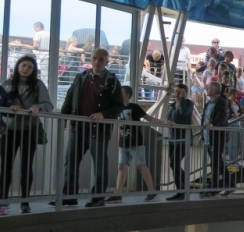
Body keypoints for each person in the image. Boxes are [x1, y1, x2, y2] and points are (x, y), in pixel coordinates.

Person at [53, 49, 124, 208]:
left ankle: (98, 197)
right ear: (91, 60)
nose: (97, 62)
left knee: (99, 165)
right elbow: (69, 98)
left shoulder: (112, 81)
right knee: (71, 162)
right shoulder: (81, 77)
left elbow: (119, 105)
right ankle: (69, 196)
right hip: (78, 129)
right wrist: (64, 117)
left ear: (106, 62)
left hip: (99, 131)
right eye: (94, 58)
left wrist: (103, 114)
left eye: (101, 59)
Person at [1, 56, 53, 214]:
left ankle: (24, 202)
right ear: (18, 66)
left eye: (30, 67)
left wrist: (37, 107)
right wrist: (10, 108)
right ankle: (3, 201)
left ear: (33, 70)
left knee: (26, 166)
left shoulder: (38, 85)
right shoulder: (7, 84)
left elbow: (48, 105)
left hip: (29, 130)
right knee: (5, 167)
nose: (25, 69)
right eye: (23, 65)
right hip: (8, 130)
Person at [106, 86, 166, 204]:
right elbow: (119, 126)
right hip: (124, 143)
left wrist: (164, 122)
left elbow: (149, 119)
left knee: (141, 165)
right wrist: (118, 141)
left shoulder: (134, 107)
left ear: (127, 95)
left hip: (136, 142)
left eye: (121, 93)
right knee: (121, 167)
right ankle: (118, 194)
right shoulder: (118, 108)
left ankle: (151, 191)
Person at [165, 84, 194, 201]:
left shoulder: (188, 103)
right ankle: (183, 188)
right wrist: (168, 122)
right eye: (176, 91)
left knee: (174, 163)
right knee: (173, 164)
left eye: (180, 91)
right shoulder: (172, 106)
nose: (177, 93)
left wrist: (182, 99)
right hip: (173, 139)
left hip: (183, 139)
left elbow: (183, 113)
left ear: (185, 93)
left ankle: (182, 189)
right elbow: (168, 118)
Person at [201, 81, 228, 198]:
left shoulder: (222, 102)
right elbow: (204, 119)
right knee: (217, 162)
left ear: (214, 90)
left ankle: (212, 188)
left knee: (215, 163)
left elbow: (222, 117)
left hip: (217, 137)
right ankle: (230, 184)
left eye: (209, 87)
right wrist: (202, 134)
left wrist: (213, 123)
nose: (207, 88)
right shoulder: (208, 103)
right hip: (208, 136)